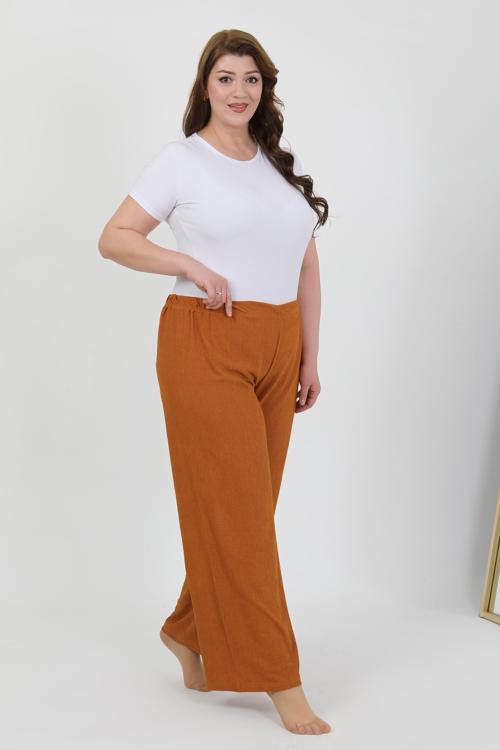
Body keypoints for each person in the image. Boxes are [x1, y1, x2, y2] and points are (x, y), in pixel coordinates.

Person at [98, 28, 330, 736]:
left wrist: (309, 356)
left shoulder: (278, 163)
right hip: (205, 340)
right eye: (226, 78)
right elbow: (114, 237)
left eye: (251, 79)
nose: (239, 91)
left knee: (247, 511)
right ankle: (280, 678)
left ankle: (185, 629)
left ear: (265, 88)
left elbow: (307, 265)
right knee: (240, 517)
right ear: (205, 85)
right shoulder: (181, 162)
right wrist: (189, 266)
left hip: (280, 342)